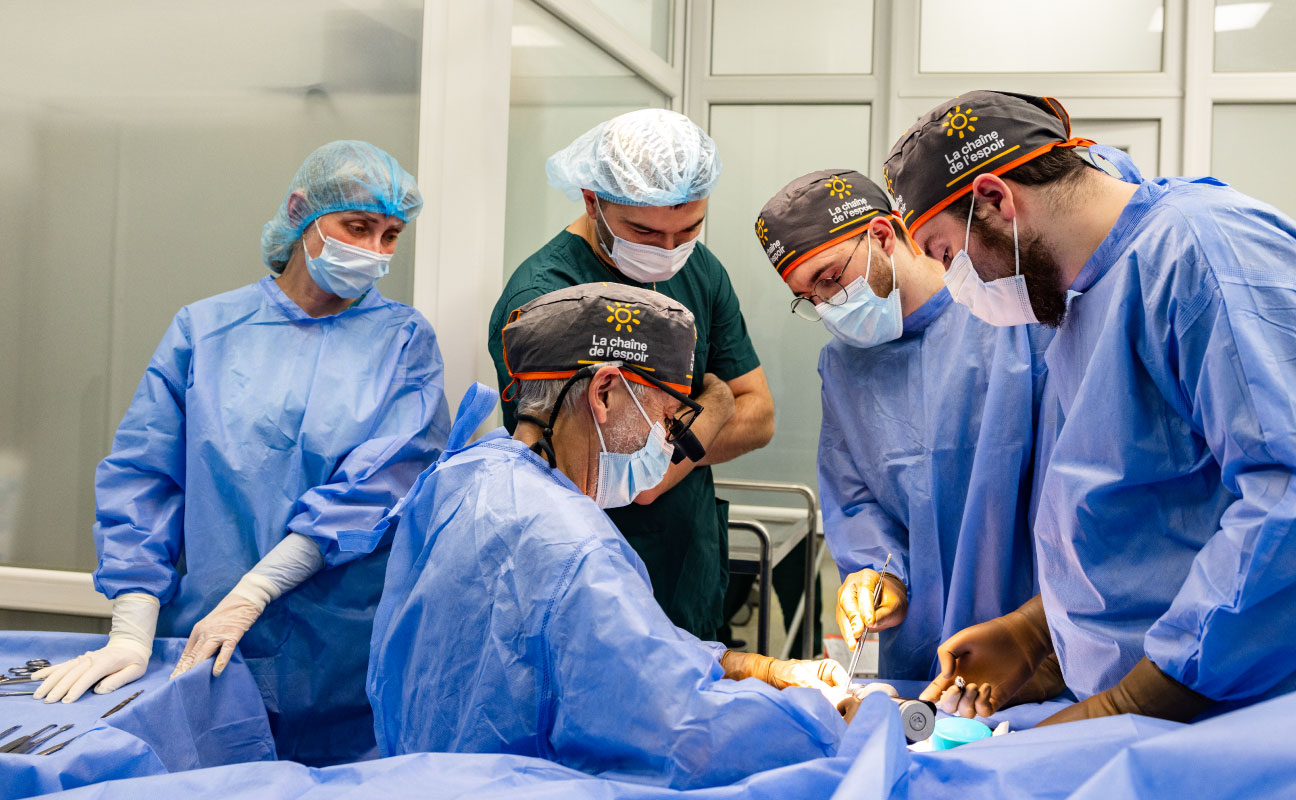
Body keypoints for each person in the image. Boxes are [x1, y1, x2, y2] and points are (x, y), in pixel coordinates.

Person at [885, 90, 1296, 724]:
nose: (954, 283)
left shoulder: (1208, 255)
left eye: (947, 254)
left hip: (1275, 708)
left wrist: (1143, 696)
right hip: (1182, 711)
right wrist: (1039, 638)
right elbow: (1154, 511)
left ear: (997, 200)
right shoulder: (1082, 298)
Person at [33, 140, 450, 765]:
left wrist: (255, 591)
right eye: (357, 227)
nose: (374, 251)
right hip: (202, 649)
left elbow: (380, 486)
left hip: (336, 659)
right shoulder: (205, 330)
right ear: (300, 212)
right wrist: (131, 631)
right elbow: (144, 479)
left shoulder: (402, 341)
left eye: (391, 235)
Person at [363, 283, 847, 788]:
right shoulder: (572, 545)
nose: (666, 444)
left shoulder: (461, 478)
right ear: (604, 393)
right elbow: (683, 730)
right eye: (666, 420)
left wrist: (751, 667)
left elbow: (616, 646)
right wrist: (832, 721)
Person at [752, 170, 1056, 692]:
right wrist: (879, 577)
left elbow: (1068, 480)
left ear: (883, 236)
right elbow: (856, 496)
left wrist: (1037, 626)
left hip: (1034, 639)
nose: (826, 305)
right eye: (808, 296)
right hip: (918, 656)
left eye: (829, 279)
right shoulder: (845, 365)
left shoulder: (1008, 316)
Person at [487, 109, 773, 641]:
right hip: (587, 585)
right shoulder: (545, 300)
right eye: (643, 230)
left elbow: (759, 413)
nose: (668, 253)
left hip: (685, 574)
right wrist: (714, 404)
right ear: (591, 199)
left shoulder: (701, 270)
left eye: (689, 228)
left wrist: (669, 446)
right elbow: (622, 479)